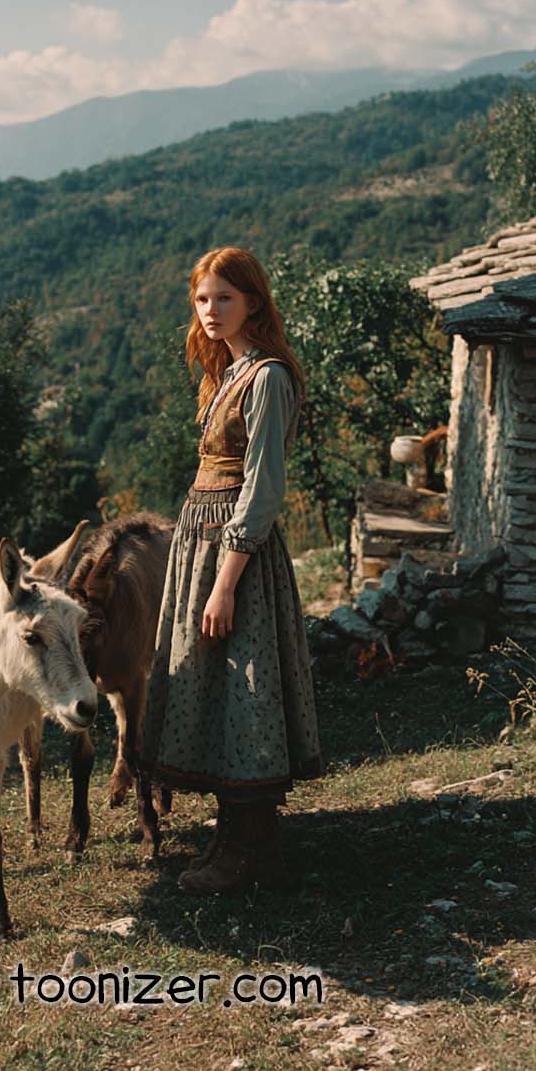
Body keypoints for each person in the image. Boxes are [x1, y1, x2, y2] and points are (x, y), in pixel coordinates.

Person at [140, 245, 322, 895]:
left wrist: (224, 581)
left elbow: (262, 489)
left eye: (223, 297)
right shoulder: (228, 372)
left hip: (235, 555)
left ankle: (253, 849)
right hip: (205, 546)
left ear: (252, 301)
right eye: (201, 299)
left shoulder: (267, 377)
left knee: (243, 685)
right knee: (216, 687)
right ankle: (234, 838)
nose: (210, 310)